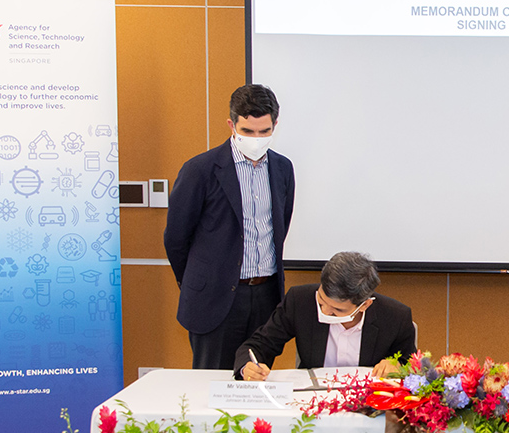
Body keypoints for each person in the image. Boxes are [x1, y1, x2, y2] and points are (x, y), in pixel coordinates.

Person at [164, 84, 295, 370]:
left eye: (264, 131)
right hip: (215, 298)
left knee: (258, 381)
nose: (257, 139)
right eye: (248, 131)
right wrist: (199, 280)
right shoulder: (200, 170)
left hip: (265, 294)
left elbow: (280, 227)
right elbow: (176, 238)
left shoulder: (283, 168)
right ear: (232, 125)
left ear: (275, 125)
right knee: (213, 386)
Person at [235, 251, 416, 380]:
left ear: (364, 305)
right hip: (310, 401)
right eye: (322, 301)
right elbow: (259, 345)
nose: (325, 311)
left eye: (337, 310)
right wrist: (248, 367)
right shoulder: (300, 301)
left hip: (367, 405)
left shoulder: (396, 317)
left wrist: (397, 367)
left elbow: (411, 365)